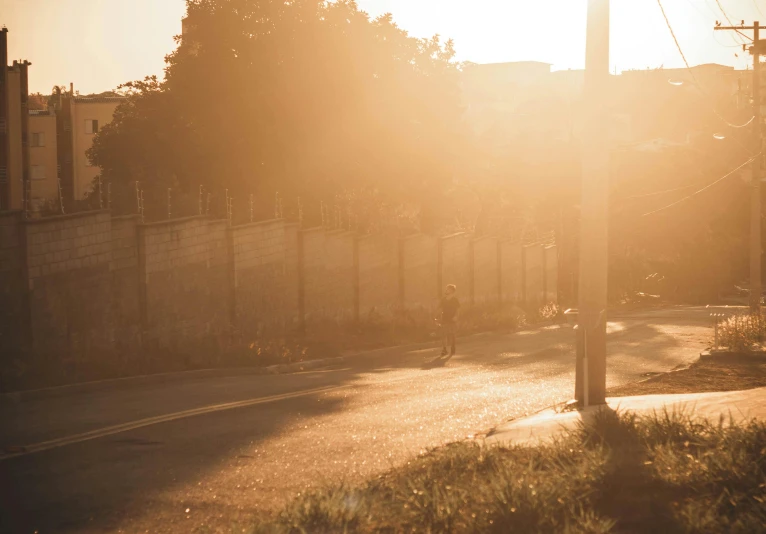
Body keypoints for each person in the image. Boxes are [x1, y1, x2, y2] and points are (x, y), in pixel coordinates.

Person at [437, 284, 460, 356]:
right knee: (444, 334)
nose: (446, 290)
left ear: (452, 290)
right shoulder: (443, 299)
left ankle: (453, 347)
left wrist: (456, 316)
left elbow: (458, 309)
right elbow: (440, 309)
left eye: (448, 289)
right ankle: (444, 349)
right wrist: (438, 317)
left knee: (452, 334)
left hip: (452, 319)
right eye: (446, 289)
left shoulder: (455, 300)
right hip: (444, 319)